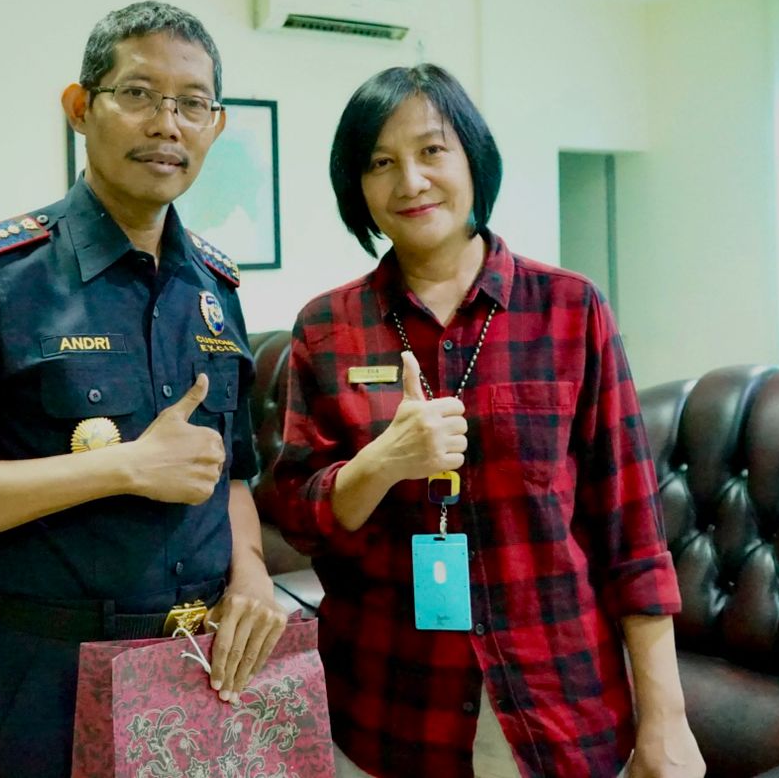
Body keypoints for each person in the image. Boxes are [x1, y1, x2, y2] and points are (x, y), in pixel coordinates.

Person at [0, 1, 288, 777]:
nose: (167, 124)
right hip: (42, 683)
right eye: (139, 94)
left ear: (215, 126)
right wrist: (121, 467)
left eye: (192, 104)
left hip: (195, 677)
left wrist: (252, 570)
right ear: (80, 108)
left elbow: (228, 476)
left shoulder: (215, 287)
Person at [273, 65, 703, 778]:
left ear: (474, 158)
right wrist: (382, 463)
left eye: (431, 151)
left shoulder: (570, 308)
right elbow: (298, 515)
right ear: (358, 187)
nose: (410, 181)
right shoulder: (327, 326)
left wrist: (666, 718)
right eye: (380, 163)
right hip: (390, 707)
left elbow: (631, 529)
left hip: (556, 700)